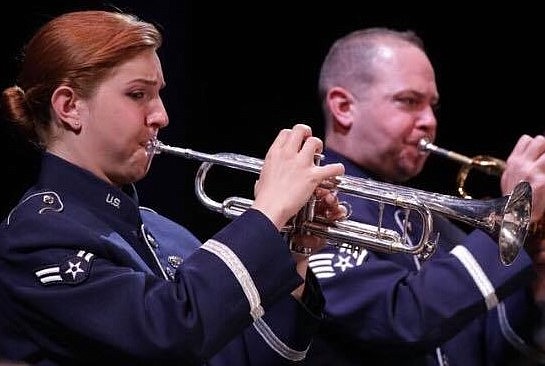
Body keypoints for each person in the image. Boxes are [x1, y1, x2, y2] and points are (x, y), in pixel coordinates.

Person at [0, 10, 347, 365]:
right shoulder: (35, 237)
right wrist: (269, 212)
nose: (161, 116)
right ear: (70, 106)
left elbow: (245, 357)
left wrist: (292, 249)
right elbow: (168, 335)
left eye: (158, 95)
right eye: (137, 94)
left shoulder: (167, 233)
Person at [305, 27, 545, 365]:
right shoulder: (313, 205)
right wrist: (514, 218)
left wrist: (537, 277)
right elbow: (398, 323)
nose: (429, 121)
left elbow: (491, 351)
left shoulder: (438, 226)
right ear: (344, 107)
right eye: (408, 101)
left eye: (432, 106)